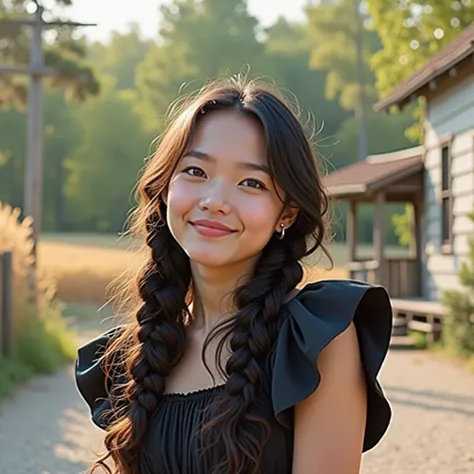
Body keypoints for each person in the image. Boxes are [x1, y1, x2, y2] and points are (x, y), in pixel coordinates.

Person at [75, 76, 392, 474]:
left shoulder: (314, 341)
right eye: (195, 171)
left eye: (251, 182)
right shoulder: (138, 354)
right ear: (165, 188)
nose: (215, 201)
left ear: (287, 214)